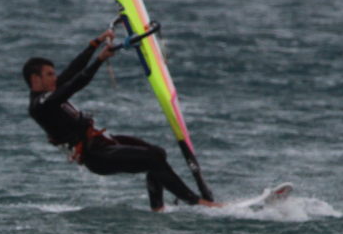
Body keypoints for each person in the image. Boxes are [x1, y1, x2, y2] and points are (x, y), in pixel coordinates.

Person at [23, 31, 216, 211]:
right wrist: (99, 60)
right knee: (152, 159)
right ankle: (198, 202)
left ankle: (158, 209)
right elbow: (76, 83)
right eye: (50, 74)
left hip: (104, 142)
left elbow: (74, 70)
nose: (55, 78)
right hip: (96, 156)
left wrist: (94, 44)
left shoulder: (49, 92)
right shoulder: (40, 105)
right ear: (35, 79)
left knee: (158, 153)